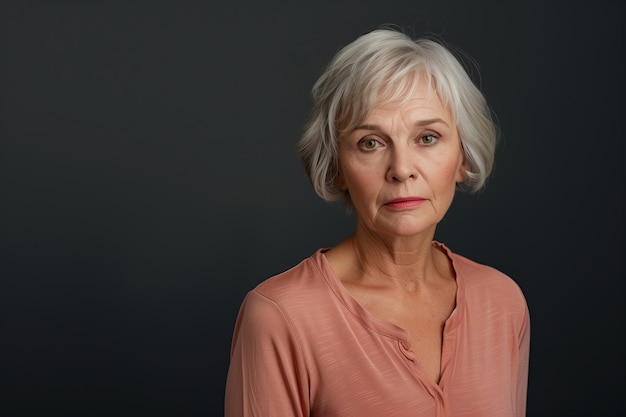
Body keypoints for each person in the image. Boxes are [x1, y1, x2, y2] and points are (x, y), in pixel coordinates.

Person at [224, 27, 530, 417]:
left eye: (428, 138)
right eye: (371, 143)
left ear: (463, 158)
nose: (402, 169)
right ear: (337, 167)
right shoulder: (279, 315)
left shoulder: (502, 302)